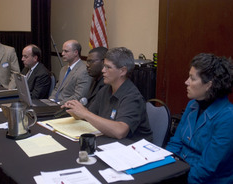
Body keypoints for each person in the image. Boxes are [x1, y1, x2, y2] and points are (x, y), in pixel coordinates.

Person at [166, 53, 233, 183]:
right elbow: (176, 143)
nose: (186, 82)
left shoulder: (228, 117)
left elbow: (207, 167)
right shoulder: (193, 104)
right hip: (181, 171)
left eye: (192, 78)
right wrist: (164, 168)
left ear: (208, 85)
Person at [62, 47, 152, 141]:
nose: (103, 70)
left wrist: (85, 113)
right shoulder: (105, 89)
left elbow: (120, 131)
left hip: (132, 148)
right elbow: (91, 116)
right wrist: (76, 111)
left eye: (108, 67)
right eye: (104, 66)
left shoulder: (132, 97)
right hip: (109, 141)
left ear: (123, 71)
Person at [49, 40, 92, 105]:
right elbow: (57, 88)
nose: (62, 53)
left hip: (66, 107)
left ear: (76, 52)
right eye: (63, 51)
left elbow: (78, 96)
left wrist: (58, 103)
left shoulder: (84, 71)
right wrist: (51, 100)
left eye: (66, 51)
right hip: (54, 105)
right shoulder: (63, 69)